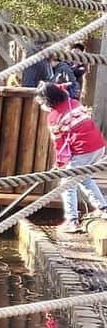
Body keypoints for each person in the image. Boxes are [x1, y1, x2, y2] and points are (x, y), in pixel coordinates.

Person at [35, 81, 107, 234]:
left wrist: (60, 163)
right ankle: (103, 208)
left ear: (48, 101)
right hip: (99, 146)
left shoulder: (54, 117)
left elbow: (59, 143)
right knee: (84, 178)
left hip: (84, 151)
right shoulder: (73, 103)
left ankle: (71, 220)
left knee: (67, 184)